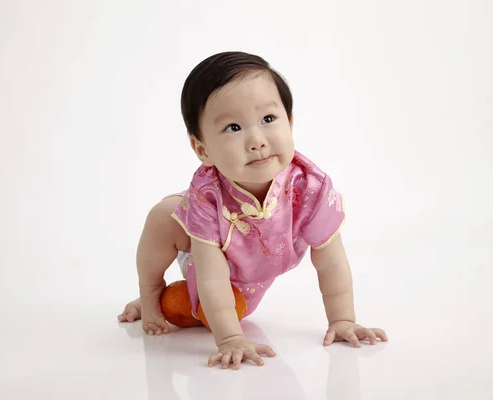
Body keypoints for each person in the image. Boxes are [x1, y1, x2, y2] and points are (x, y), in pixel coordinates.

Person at [118, 51, 388, 370]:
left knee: (197, 313)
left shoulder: (310, 188)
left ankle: (172, 304)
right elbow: (212, 277)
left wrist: (343, 319)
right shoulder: (206, 197)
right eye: (233, 127)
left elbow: (331, 264)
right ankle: (149, 295)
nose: (256, 140)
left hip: (247, 285)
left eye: (268, 120)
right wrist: (231, 338)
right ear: (202, 149)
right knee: (166, 214)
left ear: (289, 122)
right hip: (207, 267)